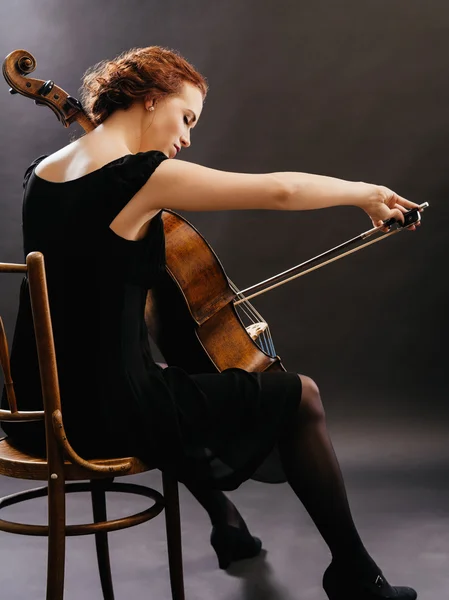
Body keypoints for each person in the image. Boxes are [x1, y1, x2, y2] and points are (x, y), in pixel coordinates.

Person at [1, 46, 419, 599]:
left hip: (34, 409)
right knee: (301, 396)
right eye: (186, 117)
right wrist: (366, 194)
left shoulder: (42, 173)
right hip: (103, 417)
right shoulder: (141, 177)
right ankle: (354, 573)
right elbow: (279, 189)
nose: (187, 137)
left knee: (169, 381)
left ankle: (229, 526)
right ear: (150, 101)